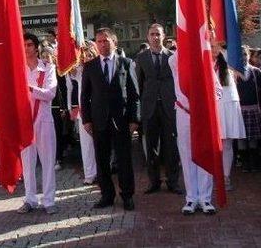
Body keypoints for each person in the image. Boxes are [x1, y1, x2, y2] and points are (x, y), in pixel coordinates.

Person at [81, 28, 139, 211]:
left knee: (124, 160)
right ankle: (107, 195)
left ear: (114, 42)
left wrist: (134, 119)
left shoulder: (126, 63)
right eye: (98, 41)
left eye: (106, 40)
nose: (102, 44)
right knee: (102, 160)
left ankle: (127, 195)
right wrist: (86, 120)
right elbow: (85, 96)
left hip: (121, 120)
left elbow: (134, 94)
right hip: (99, 121)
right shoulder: (90, 66)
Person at [135, 24, 182, 195]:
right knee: (151, 145)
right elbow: (138, 85)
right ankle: (154, 182)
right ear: (147, 37)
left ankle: (173, 181)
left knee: (171, 146)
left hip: (170, 107)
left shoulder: (173, 56)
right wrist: (141, 109)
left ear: (164, 36)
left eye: (158, 34)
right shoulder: (141, 58)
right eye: (152, 34)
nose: (155, 37)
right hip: (150, 108)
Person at [168, 52, 216, 215]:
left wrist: (209, 100)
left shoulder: (206, 61)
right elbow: (174, 58)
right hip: (184, 113)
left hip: (202, 114)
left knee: (204, 153)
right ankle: (191, 197)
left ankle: (205, 197)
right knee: (187, 154)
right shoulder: (176, 61)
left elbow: (217, 89)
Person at [17, 33, 59, 215]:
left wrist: (29, 89)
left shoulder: (48, 68)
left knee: (48, 160)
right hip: (25, 121)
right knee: (27, 162)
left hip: (44, 120)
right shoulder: (18, 70)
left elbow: (50, 94)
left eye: (29, 45)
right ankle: (30, 199)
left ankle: (49, 200)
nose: (26, 48)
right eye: (23, 45)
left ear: (36, 47)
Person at [212, 44, 246, 191]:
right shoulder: (203, 57)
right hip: (211, 105)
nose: (214, 48)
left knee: (226, 142)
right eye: (211, 45)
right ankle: (214, 175)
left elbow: (243, 74)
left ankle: (225, 177)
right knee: (213, 143)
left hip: (227, 103)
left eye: (216, 45)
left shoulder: (228, 56)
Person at [66, 41, 98, 185]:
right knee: (86, 145)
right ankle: (90, 173)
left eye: (90, 54)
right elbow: (70, 70)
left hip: (100, 111)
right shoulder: (80, 70)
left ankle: (103, 171)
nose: (88, 57)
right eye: (85, 55)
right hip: (84, 113)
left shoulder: (101, 67)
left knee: (102, 144)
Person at [236, 45, 261, 172]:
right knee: (241, 138)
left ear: (248, 56)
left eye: (245, 54)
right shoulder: (233, 73)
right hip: (239, 110)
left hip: (253, 108)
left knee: (253, 138)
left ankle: (254, 163)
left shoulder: (256, 72)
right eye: (241, 55)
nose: (243, 57)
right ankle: (245, 164)